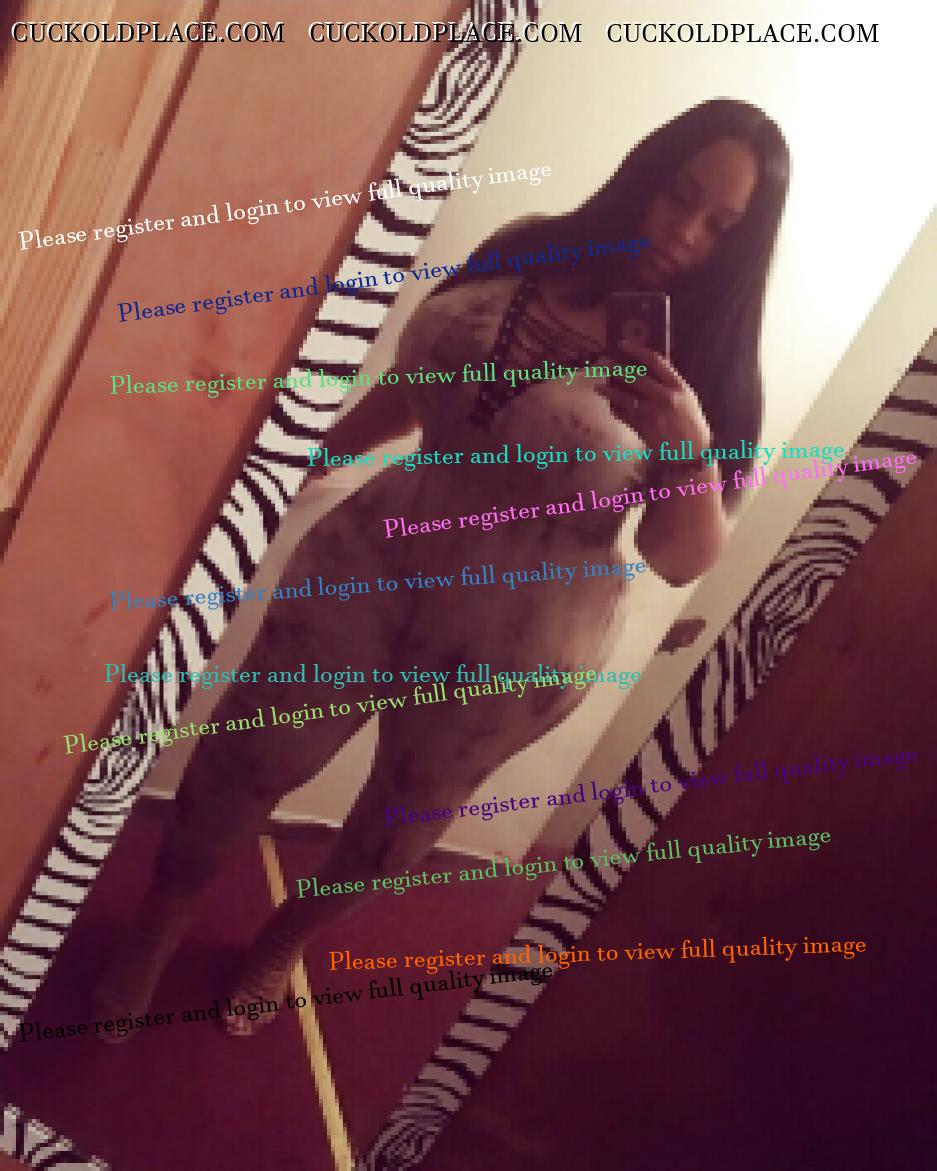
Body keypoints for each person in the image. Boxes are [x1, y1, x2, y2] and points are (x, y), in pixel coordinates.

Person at [94, 98, 790, 1038]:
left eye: (720, 225)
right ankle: (157, 924)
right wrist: (300, 463)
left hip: (518, 643)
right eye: (680, 194)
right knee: (245, 757)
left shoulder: (710, 375)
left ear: (744, 245)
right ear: (647, 173)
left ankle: (282, 942)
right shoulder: (526, 248)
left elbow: (678, 558)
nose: (685, 231)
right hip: (374, 557)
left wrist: (686, 448)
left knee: (395, 830)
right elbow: (415, 390)